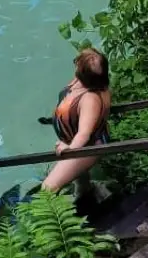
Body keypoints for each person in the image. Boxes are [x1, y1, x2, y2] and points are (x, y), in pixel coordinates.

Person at [42, 48, 111, 194]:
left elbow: (84, 134)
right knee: (79, 175)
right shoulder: (86, 81)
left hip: (87, 145)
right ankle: (85, 191)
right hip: (73, 137)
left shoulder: (90, 99)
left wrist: (70, 150)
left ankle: (56, 216)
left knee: (47, 188)